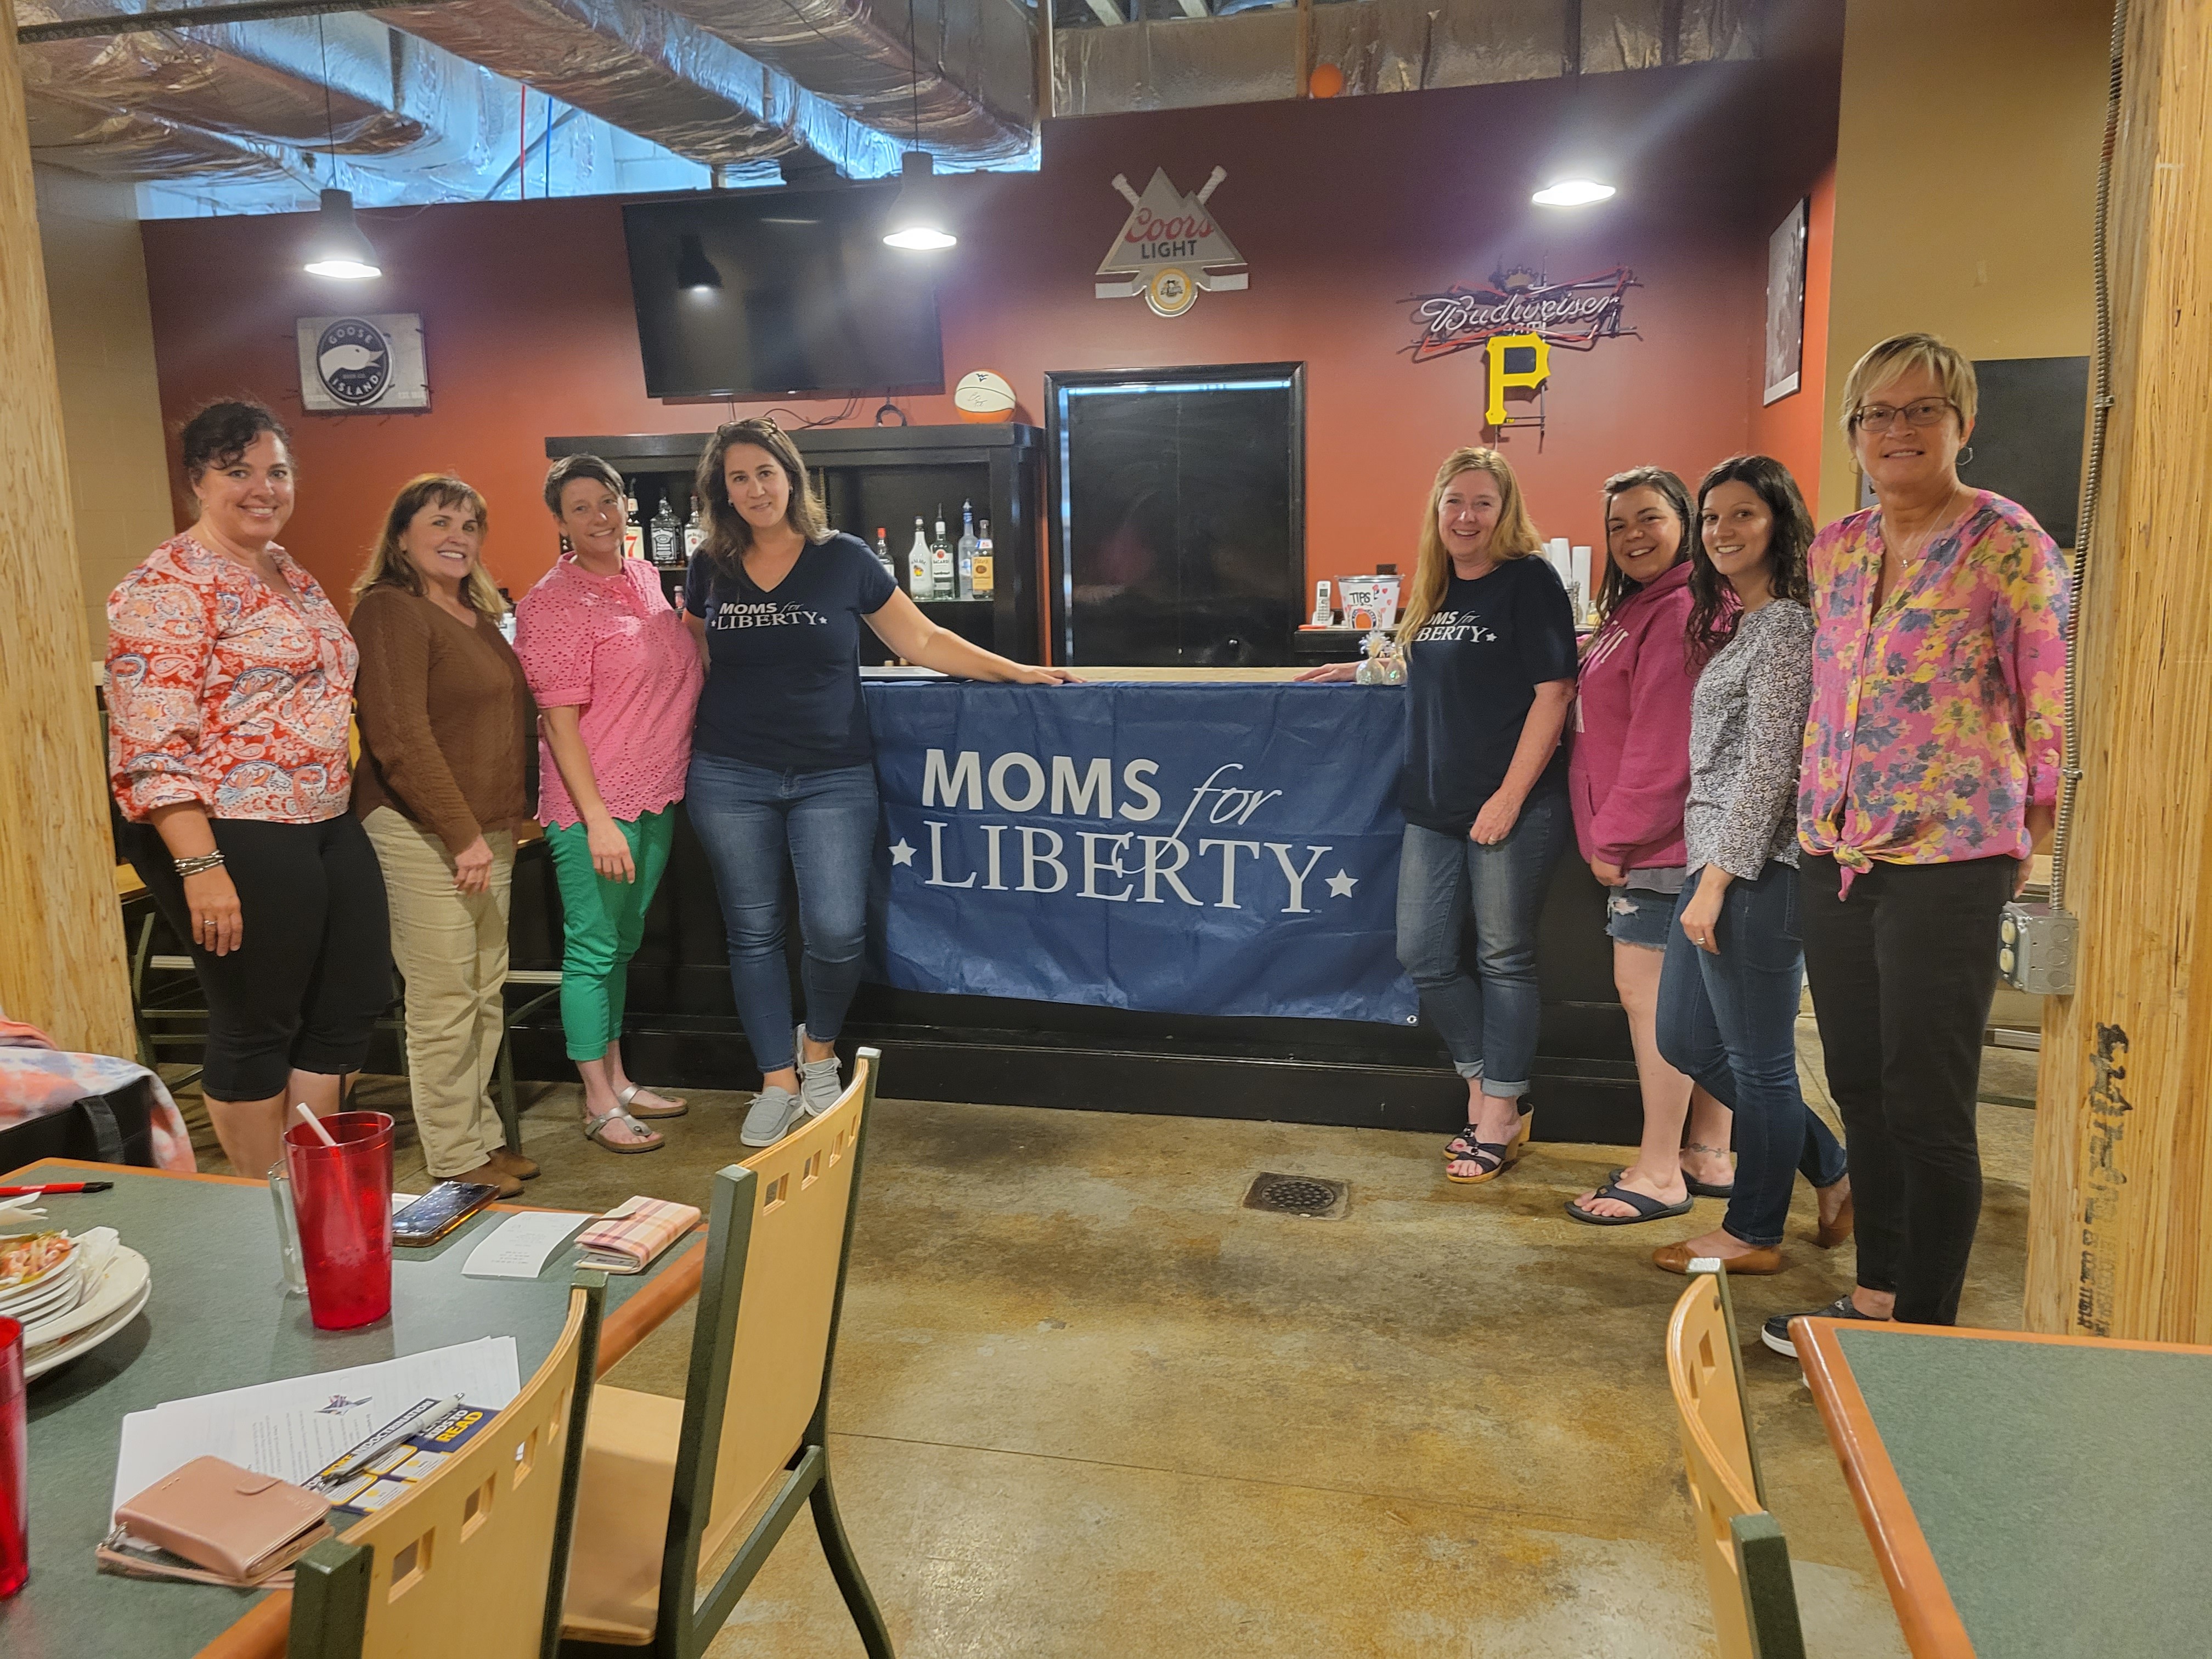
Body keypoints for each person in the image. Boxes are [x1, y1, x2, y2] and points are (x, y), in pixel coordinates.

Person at [1764, 335, 2068, 1355]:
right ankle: (1876, 1299)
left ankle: (1928, 1342)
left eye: (1921, 409)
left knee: (1929, 1102)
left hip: (1950, 859)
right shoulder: (1837, 548)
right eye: (1877, 413)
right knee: (1858, 1081)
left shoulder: (2007, 542)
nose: (1898, 429)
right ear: (1854, 432)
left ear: (1961, 423)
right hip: (1836, 852)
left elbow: (2049, 697)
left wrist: (2029, 830)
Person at [682, 418, 1072, 1148]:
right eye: (738, 477)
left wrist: (1018, 672)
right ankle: (775, 1079)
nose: (755, 488)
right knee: (753, 933)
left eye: (766, 472)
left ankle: (818, 1052)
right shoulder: (711, 566)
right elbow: (691, 653)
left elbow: (921, 639)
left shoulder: (843, 558)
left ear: (791, 477)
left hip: (832, 773)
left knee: (836, 931)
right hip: (730, 773)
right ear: (722, 491)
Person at [105, 400, 391, 1177]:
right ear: (197, 481)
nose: (263, 488)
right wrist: (201, 867)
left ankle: (313, 1184)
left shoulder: (284, 568)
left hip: (323, 816)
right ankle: (264, 1206)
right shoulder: (168, 584)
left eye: (278, 472)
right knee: (257, 1017)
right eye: (239, 472)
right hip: (230, 822)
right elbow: (149, 746)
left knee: (351, 999)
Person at [1299, 447, 1576, 1183]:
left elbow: (1555, 692)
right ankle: (1487, 1085)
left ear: (1505, 510)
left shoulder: (1529, 581)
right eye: (1455, 501)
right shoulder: (1437, 584)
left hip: (1510, 802)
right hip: (1433, 802)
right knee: (1421, 952)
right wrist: (1363, 669)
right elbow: (1432, 670)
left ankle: (1499, 1111)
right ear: (1437, 509)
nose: (1467, 516)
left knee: (1503, 957)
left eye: (1483, 502)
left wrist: (1509, 797)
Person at [1646, 456, 1851, 1274]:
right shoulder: (1750, 624)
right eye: (1711, 518)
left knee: (1760, 1064)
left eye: (1743, 515)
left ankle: (1754, 1232)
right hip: (1716, 865)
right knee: (1686, 1039)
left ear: (1779, 524)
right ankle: (1832, 1167)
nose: (1722, 532)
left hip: (1756, 872)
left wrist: (1719, 881)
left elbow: (1772, 768)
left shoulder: (1789, 628)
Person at [351, 475, 537, 1199]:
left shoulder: (475, 615)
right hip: (422, 830)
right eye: (440, 522)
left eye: (469, 525)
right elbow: (399, 735)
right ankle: (455, 1155)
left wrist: (506, 821)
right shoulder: (390, 611)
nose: (457, 536)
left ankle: (480, 1136)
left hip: (485, 830)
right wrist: (463, 836)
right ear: (402, 536)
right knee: (444, 997)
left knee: (484, 989)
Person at [515, 455, 703, 1156]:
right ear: (560, 522)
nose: (599, 517)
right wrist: (596, 820)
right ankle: (596, 1100)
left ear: (626, 505)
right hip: (594, 805)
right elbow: (558, 723)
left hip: (656, 793)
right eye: (580, 507)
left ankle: (619, 1080)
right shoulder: (550, 604)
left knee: (622, 945)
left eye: (608, 501)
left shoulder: (645, 576)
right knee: (593, 951)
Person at [1564, 467, 1734, 1226]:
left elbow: (1665, 746)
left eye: (1649, 518)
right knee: (1701, 1006)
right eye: (1618, 525)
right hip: (1676, 844)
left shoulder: (1680, 610)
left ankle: (1659, 1171)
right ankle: (1710, 1151)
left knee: (1653, 1007)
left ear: (1685, 522)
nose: (1632, 536)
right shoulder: (1650, 605)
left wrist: (1614, 836)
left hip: (1660, 848)